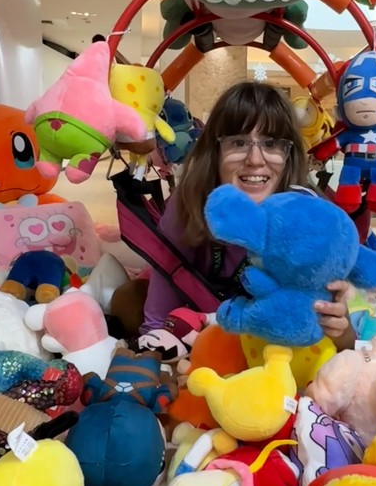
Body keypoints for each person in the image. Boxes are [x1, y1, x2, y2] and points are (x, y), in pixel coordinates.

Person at [138, 81, 356, 352]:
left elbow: (346, 342)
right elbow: (156, 327)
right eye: (239, 142)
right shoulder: (186, 208)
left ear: (287, 155)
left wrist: (340, 327)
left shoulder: (311, 219)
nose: (255, 159)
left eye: (271, 143)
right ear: (215, 151)